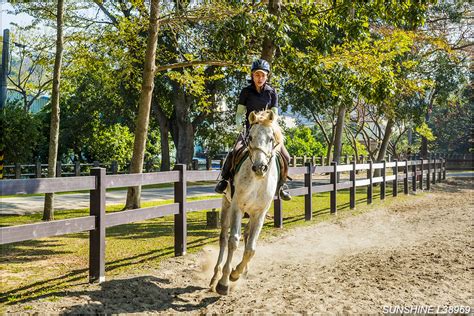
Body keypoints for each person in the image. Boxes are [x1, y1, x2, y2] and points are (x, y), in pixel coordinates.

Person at [214, 59, 291, 201]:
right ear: (252, 75)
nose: (260, 78)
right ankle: (224, 181)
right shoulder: (246, 92)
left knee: (286, 156)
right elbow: (239, 113)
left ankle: (281, 186)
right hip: (249, 131)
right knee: (234, 151)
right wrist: (239, 126)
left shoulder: (272, 92)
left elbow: (274, 114)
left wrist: (272, 128)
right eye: (257, 75)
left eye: (263, 75)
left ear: (267, 76)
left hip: (266, 132)